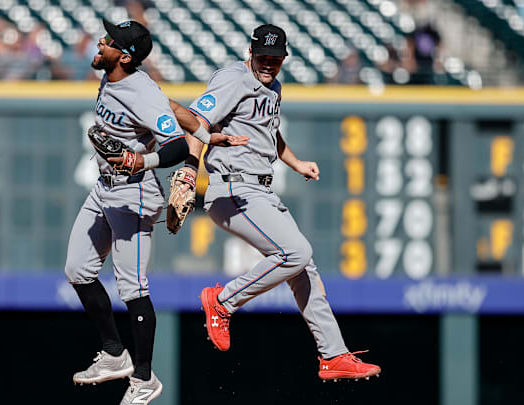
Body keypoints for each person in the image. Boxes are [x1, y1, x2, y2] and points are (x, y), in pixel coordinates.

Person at [172, 24, 382, 382]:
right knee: (295, 252)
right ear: (250, 52)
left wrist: (296, 163)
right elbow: (197, 123)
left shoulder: (274, 87)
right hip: (232, 190)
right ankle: (223, 301)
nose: (269, 64)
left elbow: (268, 131)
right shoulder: (232, 79)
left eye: (276, 59)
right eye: (263, 57)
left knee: (304, 268)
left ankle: (333, 355)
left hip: (261, 191)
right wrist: (191, 170)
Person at [64, 19, 246, 405]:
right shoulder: (114, 74)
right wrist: (204, 130)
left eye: (109, 40)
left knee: (132, 289)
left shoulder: (138, 89)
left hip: (136, 194)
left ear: (125, 56)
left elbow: (175, 147)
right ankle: (115, 354)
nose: (101, 41)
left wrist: (140, 160)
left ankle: (144, 379)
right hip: (105, 188)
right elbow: (170, 109)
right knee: (78, 271)